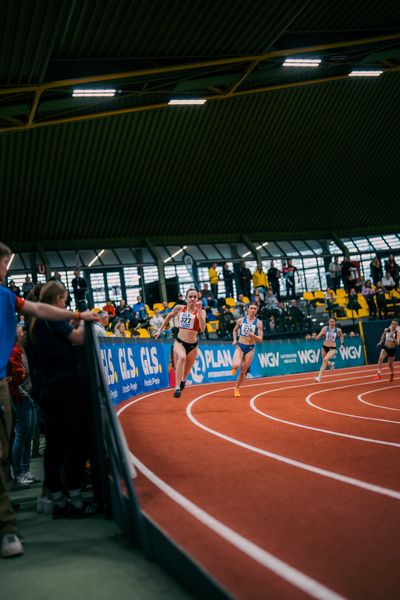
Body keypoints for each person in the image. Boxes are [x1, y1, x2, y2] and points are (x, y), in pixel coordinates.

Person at [0, 242, 98, 558]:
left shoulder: (12, 302)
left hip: (23, 387)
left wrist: (77, 312)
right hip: (52, 388)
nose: (6, 270)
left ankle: (39, 505)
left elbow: (37, 309)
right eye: (5, 263)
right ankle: (64, 498)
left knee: (37, 445)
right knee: (65, 441)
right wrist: (83, 316)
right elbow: (73, 335)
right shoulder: (35, 315)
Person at [154, 288, 205, 398]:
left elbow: (202, 328)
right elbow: (169, 316)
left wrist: (199, 311)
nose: (192, 299)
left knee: (186, 371)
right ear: (186, 298)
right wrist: (160, 330)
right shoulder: (179, 308)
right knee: (181, 357)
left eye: (195, 297)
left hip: (193, 345)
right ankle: (177, 388)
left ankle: (183, 380)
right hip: (180, 342)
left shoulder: (201, 311)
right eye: (190, 297)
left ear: (197, 299)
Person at [231, 304, 263, 397]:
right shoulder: (241, 320)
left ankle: (236, 388)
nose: (253, 310)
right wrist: (234, 340)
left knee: (243, 371)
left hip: (250, 348)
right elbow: (235, 330)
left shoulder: (259, 323)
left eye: (255, 309)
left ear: (256, 311)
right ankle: (234, 367)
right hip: (240, 346)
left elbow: (260, 339)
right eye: (251, 308)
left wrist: (254, 336)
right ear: (247, 309)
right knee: (236, 365)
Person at [314, 317, 344, 382]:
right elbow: (319, 336)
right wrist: (317, 337)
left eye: (333, 321)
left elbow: (341, 336)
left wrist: (341, 344)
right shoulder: (325, 328)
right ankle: (332, 364)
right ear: (329, 322)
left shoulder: (338, 330)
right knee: (325, 361)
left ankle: (319, 377)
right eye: (330, 321)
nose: (332, 323)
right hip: (324, 347)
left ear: (335, 322)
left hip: (332, 348)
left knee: (324, 360)